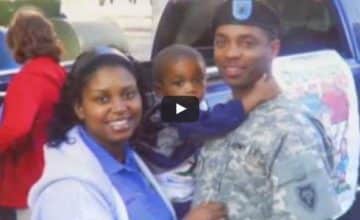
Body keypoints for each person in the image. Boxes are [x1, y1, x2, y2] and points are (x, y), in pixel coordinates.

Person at [28, 46, 227, 220]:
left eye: (128, 94)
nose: (120, 107)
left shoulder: (131, 156)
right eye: (102, 99)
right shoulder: (69, 193)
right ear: (79, 107)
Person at [192, 1, 341, 220]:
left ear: (273, 49)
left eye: (247, 43)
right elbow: (166, 113)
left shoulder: (290, 132)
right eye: (221, 42)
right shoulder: (220, 111)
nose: (231, 53)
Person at [133, 44, 279, 218]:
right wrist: (255, 97)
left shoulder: (190, 105)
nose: (190, 88)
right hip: (170, 189)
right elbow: (211, 123)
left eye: (197, 80)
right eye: (179, 83)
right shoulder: (170, 109)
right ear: (159, 90)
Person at [0, 7, 66, 220]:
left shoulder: (28, 79)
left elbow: (16, 128)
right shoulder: (57, 72)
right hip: (54, 169)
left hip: (28, 177)